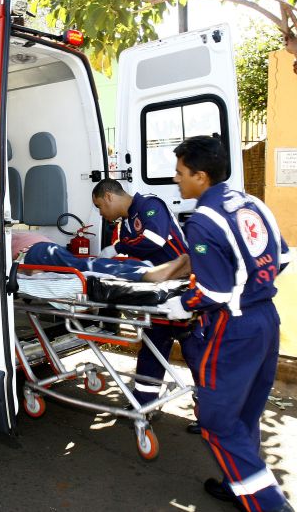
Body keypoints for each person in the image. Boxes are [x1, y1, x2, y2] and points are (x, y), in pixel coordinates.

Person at [165, 135, 293, 512]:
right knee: (246, 411)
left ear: (200, 176)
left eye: (180, 173)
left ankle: (269, 505)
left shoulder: (203, 220)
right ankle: (237, 486)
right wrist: (250, 284)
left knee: (217, 420)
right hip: (266, 320)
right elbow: (281, 258)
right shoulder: (252, 203)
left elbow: (213, 293)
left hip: (232, 328)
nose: (177, 180)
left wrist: (179, 304)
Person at [91, 178, 201, 425]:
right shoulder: (126, 224)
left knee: (196, 351)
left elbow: (154, 240)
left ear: (109, 196)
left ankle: (210, 412)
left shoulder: (150, 205)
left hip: (182, 289)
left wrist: (117, 247)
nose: (101, 212)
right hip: (158, 294)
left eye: (99, 205)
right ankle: (144, 403)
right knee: (152, 347)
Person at [12, 230, 186, 283]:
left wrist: (27, 271)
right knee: (84, 264)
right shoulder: (22, 232)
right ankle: (145, 268)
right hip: (45, 249)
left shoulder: (6, 233)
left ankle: (145, 272)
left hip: (35, 254)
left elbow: (7, 262)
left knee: (84, 266)